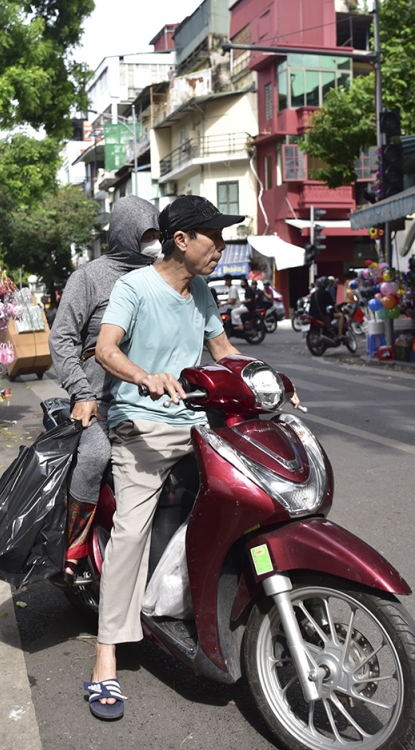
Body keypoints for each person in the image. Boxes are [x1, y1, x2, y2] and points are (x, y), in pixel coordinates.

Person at [87, 195, 299, 720]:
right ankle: (106, 653)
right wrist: (144, 377)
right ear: (180, 240)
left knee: (253, 495)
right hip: (141, 427)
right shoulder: (134, 288)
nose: (221, 248)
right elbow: (106, 349)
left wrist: (272, 380)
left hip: (197, 424)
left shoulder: (200, 290)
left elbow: (224, 353)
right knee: (132, 531)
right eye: (214, 236)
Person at [48, 196, 162, 587]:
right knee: (96, 454)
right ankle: (74, 549)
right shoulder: (89, 278)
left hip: (146, 399)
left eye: (156, 234)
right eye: (147, 235)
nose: (153, 242)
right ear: (125, 234)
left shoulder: (160, 276)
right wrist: (82, 392)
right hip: (96, 402)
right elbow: (61, 339)